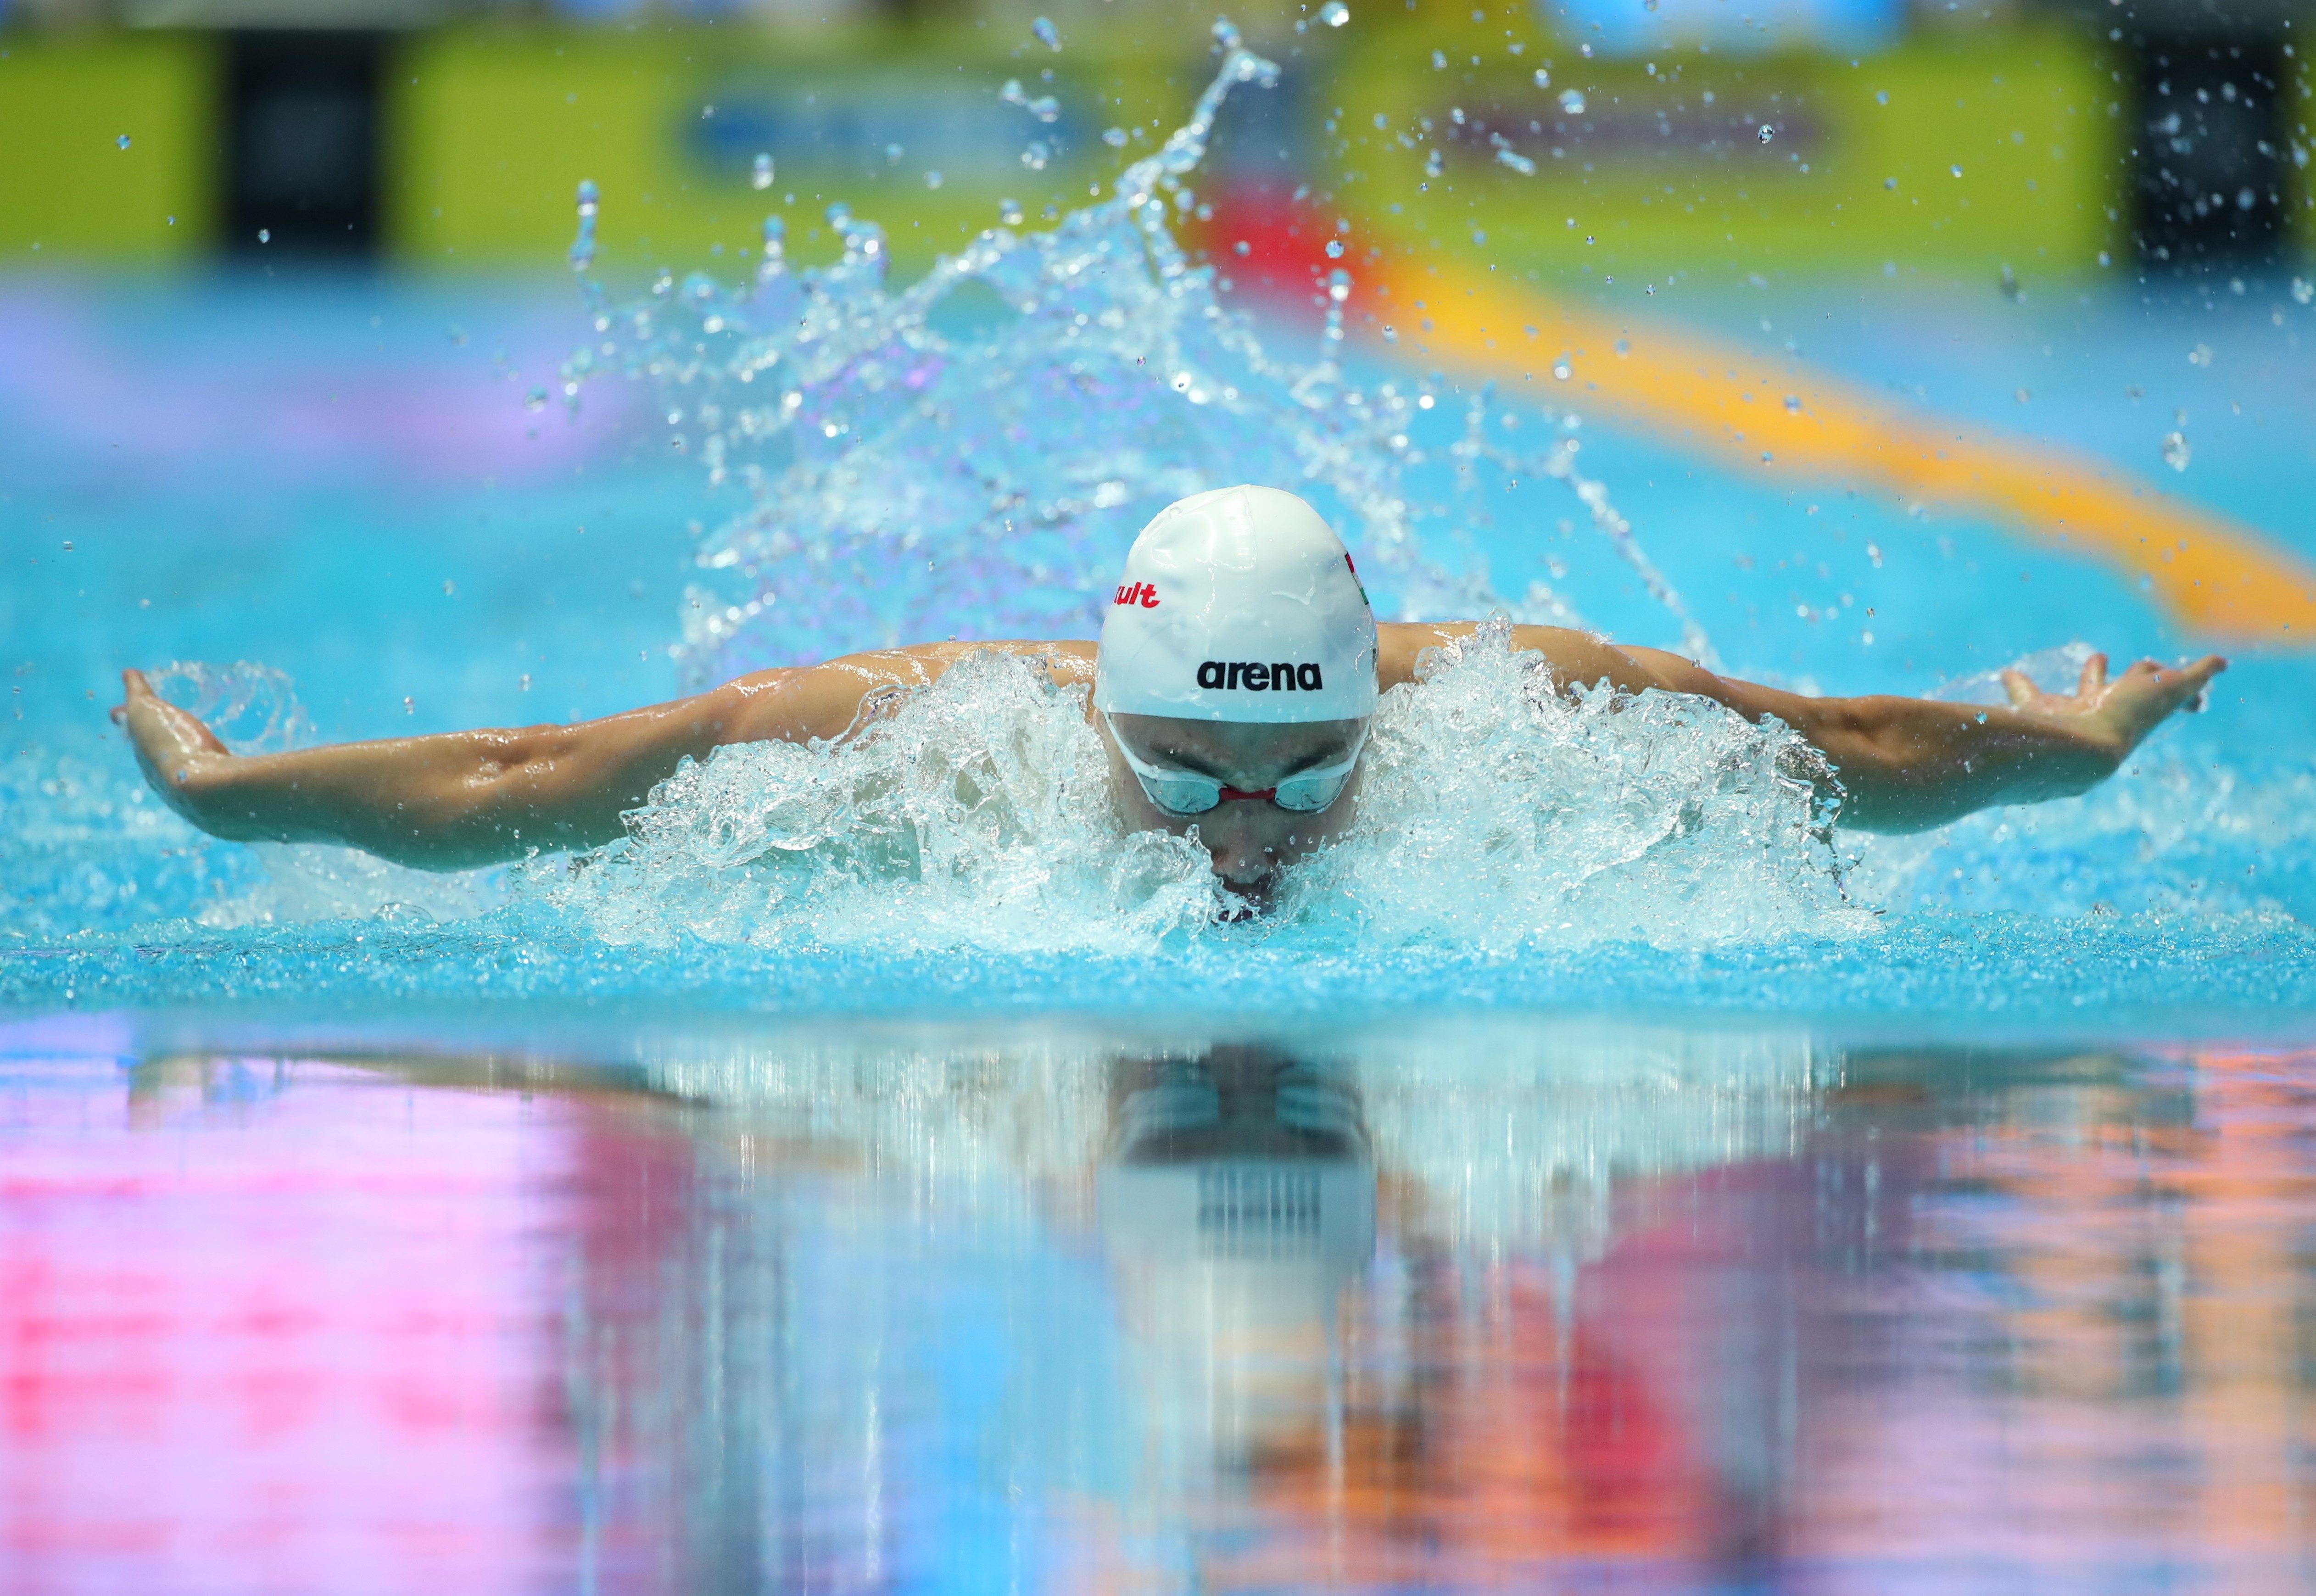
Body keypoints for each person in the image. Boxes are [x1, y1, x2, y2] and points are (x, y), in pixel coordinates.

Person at [115, 485, 2223, 904]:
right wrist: (244, 801)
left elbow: (1832, 753)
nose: (1243, 834)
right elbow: (539, 770)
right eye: (1189, 769)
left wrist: (2062, 752)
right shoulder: (940, 737)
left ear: (1378, 705)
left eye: (1309, 772)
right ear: (1095, 709)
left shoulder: (1506, 708)